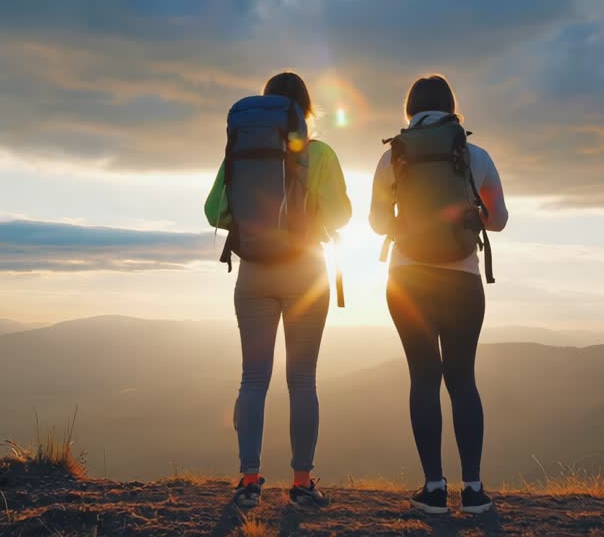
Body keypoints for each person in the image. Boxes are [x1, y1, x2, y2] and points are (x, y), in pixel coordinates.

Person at [205, 71, 351, 509]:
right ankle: (302, 483)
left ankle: (249, 480)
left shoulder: (243, 151)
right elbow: (341, 214)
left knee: (253, 379)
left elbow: (214, 210)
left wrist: (253, 224)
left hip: (253, 273)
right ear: (304, 110)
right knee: (302, 381)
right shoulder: (320, 153)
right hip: (306, 272)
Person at [369, 74, 509, 515]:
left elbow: (375, 223)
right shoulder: (474, 155)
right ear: (452, 108)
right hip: (462, 279)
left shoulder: (393, 157)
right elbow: (499, 220)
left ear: (410, 111)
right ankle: (473, 490)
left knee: (423, 380)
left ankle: (433, 489)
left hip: (407, 281)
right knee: (463, 381)